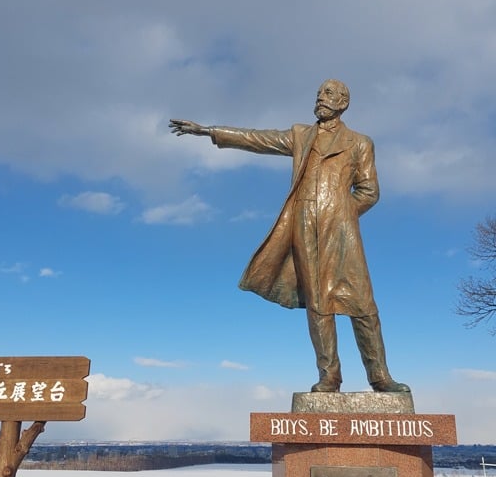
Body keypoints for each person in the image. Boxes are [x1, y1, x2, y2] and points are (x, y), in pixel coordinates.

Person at [170, 79, 409, 393]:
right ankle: (330, 376)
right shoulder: (301, 135)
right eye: (318, 94)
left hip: (341, 229)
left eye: (327, 93)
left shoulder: (360, 142)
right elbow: (259, 139)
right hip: (303, 225)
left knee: (361, 301)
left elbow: (368, 191)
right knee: (318, 303)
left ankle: (379, 376)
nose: (320, 98)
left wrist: (341, 211)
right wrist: (210, 131)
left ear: (343, 102)